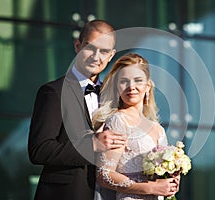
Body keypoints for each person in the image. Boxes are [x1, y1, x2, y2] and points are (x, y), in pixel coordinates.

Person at [28, 20, 126, 200]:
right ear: (77, 45)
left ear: (111, 55)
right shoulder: (53, 92)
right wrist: (92, 145)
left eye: (104, 51)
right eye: (90, 47)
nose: (96, 56)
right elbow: (39, 150)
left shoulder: (113, 97)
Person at [92, 53, 180, 200]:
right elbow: (104, 175)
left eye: (138, 80)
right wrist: (150, 187)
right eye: (124, 81)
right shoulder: (118, 121)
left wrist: (171, 181)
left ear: (148, 86)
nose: (131, 87)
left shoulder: (158, 128)